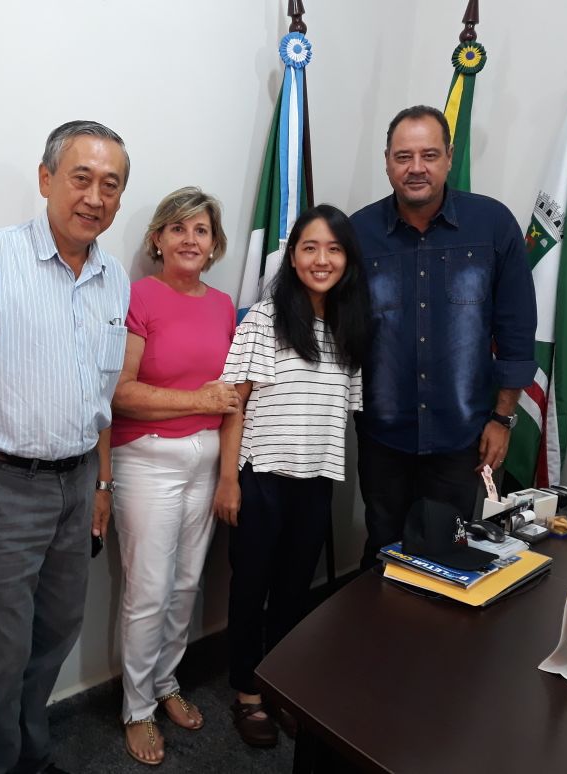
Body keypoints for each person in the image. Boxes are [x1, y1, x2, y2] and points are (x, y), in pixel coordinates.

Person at [0, 120, 131, 774]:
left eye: (111, 185)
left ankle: (28, 753)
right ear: (47, 179)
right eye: (82, 178)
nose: (95, 197)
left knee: (54, 636)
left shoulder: (114, 279)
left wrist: (101, 485)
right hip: (6, 489)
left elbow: (102, 397)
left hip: (78, 488)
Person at [350, 105, 537, 569]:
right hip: (383, 436)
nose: (416, 168)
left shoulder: (491, 226)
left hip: (463, 437)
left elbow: (516, 329)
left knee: (448, 557)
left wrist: (503, 419)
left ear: (450, 157)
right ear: (387, 161)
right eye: (403, 156)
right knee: (384, 551)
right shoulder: (357, 234)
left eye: (429, 154)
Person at [215, 204, 369, 748]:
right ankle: (245, 691)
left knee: (291, 593)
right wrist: (229, 480)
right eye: (310, 247)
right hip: (261, 477)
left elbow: (344, 411)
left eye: (333, 248)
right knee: (250, 587)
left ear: (347, 259)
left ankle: (277, 684)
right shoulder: (263, 318)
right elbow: (234, 403)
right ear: (293, 256)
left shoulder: (349, 329)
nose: (321, 259)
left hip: (315, 479)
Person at [109, 187, 238, 766]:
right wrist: (196, 397)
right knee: (148, 591)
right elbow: (120, 394)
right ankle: (135, 708)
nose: (190, 240)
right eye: (179, 228)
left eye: (202, 231)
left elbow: (231, 399)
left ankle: (166, 683)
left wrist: (226, 464)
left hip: (206, 457)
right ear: (157, 238)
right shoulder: (138, 297)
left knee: (187, 584)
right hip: (148, 460)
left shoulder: (224, 306)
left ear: (214, 245)